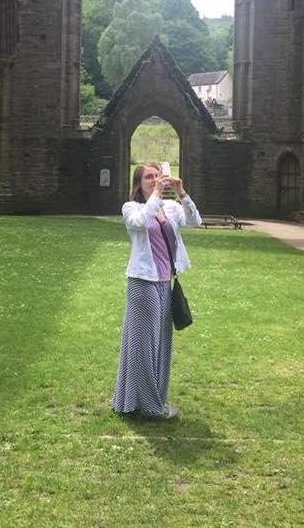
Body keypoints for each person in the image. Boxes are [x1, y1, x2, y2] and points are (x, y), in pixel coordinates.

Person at [112, 163, 202, 419]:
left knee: (160, 345)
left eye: (156, 175)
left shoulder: (170, 208)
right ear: (138, 183)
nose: (154, 180)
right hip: (143, 283)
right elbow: (141, 223)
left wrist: (182, 193)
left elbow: (196, 222)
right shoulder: (132, 208)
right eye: (148, 177)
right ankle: (149, 408)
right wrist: (156, 195)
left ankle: (140, 402)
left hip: (165, 284)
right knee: (143, 346)